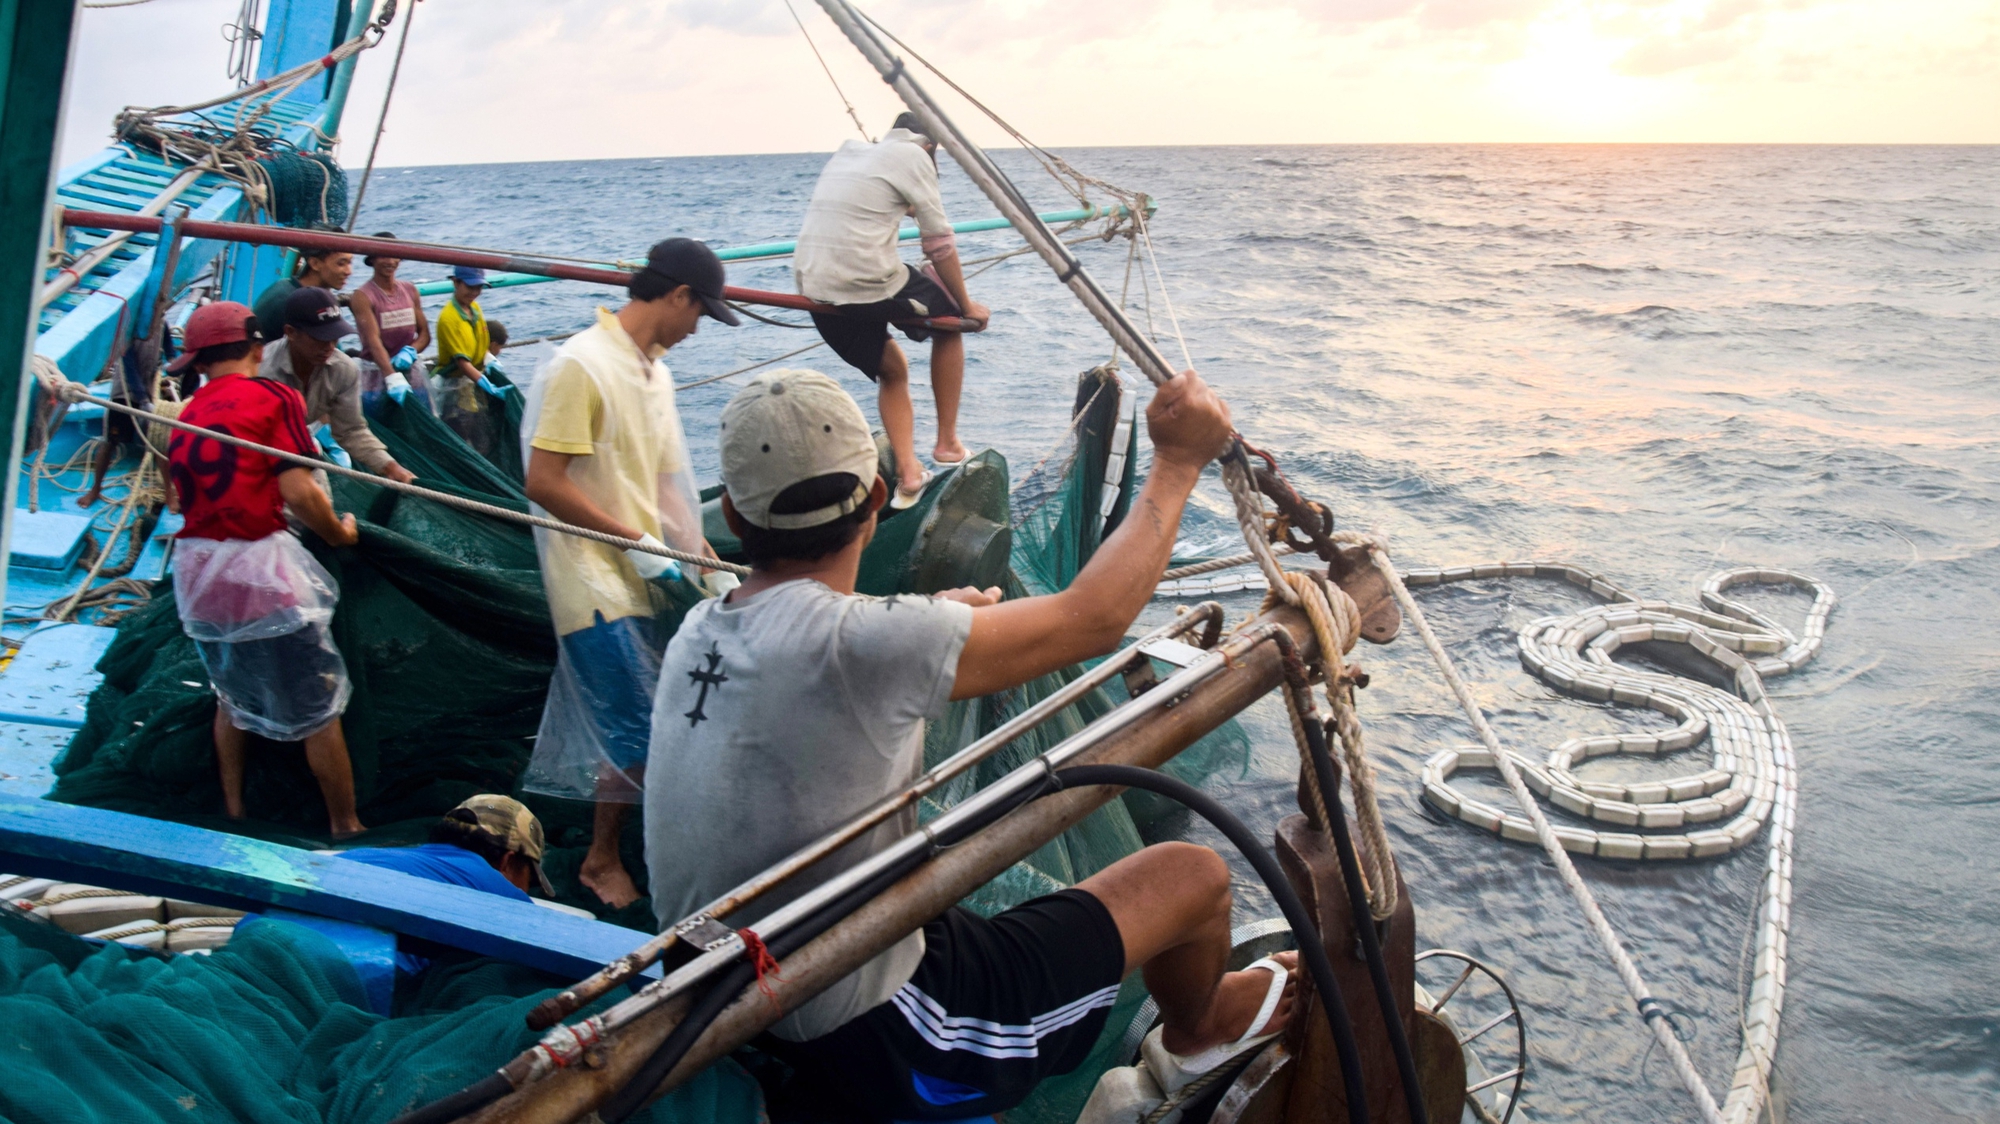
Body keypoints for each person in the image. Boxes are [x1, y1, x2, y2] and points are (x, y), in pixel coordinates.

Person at [644, 368, 1297, 1122]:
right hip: (882, 1035)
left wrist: (924, 620)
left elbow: (820, 644)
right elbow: (1096, 618)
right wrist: (1179, 462)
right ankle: (1201, 1029)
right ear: (879, 500)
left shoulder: (703, 628)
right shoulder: (873, 644)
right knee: (1194, 877)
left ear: (730, 512)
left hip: (714, 991)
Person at [519, 238, 740, 909]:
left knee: (649, 720)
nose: (698, 327)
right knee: (637, 726)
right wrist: (635, 540)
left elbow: (669, 483)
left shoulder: (656, 372)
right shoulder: (581, 365)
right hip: (588, 576)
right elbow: (544, 481)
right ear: (677, 296)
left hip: (645, 572)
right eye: (700, 312)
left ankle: (624, 850)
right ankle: (602, 859)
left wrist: (699, 557)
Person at [161, 301, 365, 838]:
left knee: (232, 696)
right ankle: (346, 824)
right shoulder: (274, 396)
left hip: (198, 576)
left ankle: (233, 810)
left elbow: (177, 499)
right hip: (258, 571)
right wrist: (340, 533)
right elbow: (298, 490)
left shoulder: (188, 413)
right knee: (318, 705)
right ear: (257, 347)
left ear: (200, 363)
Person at [795, 112, 990, 511]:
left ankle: (910, 473)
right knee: (951, 321)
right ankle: (948, 444)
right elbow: (938, 245)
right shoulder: (918, 157)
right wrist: (968, 306)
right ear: (932, 146)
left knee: (892, 369)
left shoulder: (850, 152)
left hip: (814, 287)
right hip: (866, 284)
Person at [258, 286, 418, 484]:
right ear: (290, 332)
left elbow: (351, 431)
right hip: (256, 450)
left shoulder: (343, 369)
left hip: (300, 444)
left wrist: (390, 467)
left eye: (334, 336)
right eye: (319, 338)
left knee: (319, 501)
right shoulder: (260, 370)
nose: (329, 346)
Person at [338, 795, 555, 902]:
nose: (525, 892)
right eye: (529, 881)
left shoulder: (355, 856)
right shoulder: (504, 897)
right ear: (507, 861)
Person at [347, 232, 432, 414]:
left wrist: (411, 351)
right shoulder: (363, 296)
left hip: (412, 375)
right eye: (383, 256)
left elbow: (424, 333)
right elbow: (372, 340)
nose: (390, 261)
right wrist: (391, 376)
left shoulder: (409, 290)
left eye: (394, 255)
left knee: (420, 425)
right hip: (376, 378)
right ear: (372, 260)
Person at [434, 266, 493, 447]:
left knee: (480, 432)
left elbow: (482, 341)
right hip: (454, 387)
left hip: (472, 382)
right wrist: (485, 383)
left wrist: (490, 360)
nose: (475, 292)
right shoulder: (449, 318)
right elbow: (461, 362)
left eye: (479, 288)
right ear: (456, 282)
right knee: (461, 432)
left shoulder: (474, 308)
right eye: (470, 287)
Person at [253, 246, 353, 344]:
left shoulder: (290, 288)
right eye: (341, 264)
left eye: (350, 262)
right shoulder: (286, 301)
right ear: (315, 263)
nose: (349, 271)